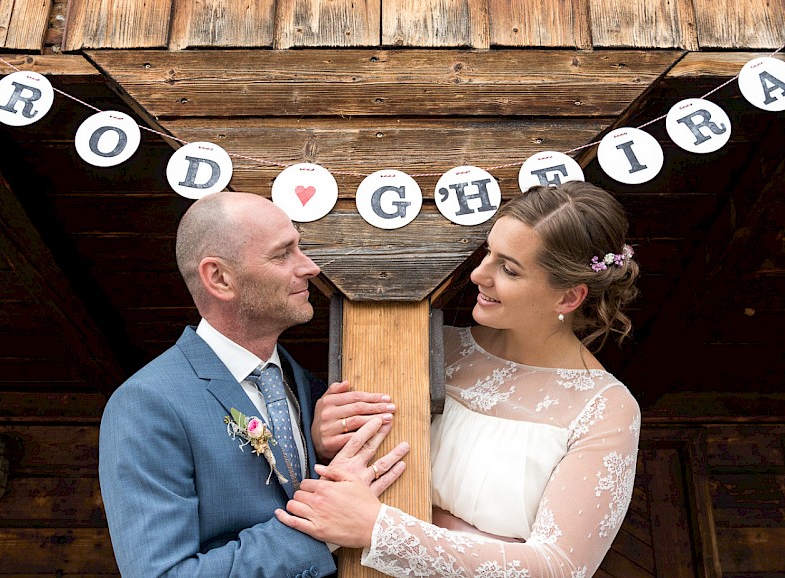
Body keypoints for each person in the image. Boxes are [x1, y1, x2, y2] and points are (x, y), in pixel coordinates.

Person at [276, 181, 643, 576]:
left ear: (568, 298)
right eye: (489, 252)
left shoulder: (605, 408)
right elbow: (347, 485)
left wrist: (381, 530)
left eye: (509, 269)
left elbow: (558, 568)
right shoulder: (430, 346)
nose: (479, 275)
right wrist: (321, 440)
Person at [99, 191, 410, 577]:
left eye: (300, 248)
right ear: (220, 278)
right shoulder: (148, 404)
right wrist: (319, 529)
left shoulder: (310, 389)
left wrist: (321, 452)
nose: (310, 267)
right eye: (283, 254)